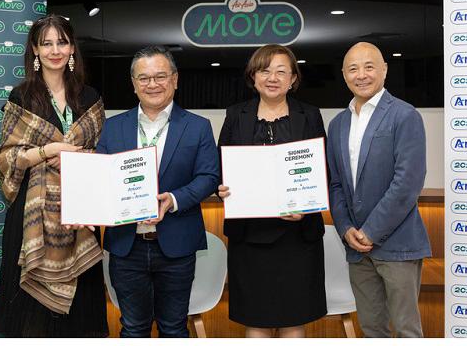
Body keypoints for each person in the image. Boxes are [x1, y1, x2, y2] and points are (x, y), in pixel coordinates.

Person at [0, 14, 109, 337]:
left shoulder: (90, 99)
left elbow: (102, 158)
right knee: (32, 321)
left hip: (79, 219)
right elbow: (6, 158)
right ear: (35, 50)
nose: (55, 50)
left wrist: (83, 159)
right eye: (47, 43)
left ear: (72, 48)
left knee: (79, 319)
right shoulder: (21, 97)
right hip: (30, 221)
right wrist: (50, 152)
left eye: (62, 42)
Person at [96, 45, 220, 337]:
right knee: (133, 328)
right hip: (127, 247)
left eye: (160, 76)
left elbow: (209, 176)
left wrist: (174, 200)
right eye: (144, 78)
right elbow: (99, 178)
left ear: (175, 79)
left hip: (176, 246)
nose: (152, 84)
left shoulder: (197, 127)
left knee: (174, 328)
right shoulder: (112, 128)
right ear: (134, 84)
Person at [216, 44, 327, 338]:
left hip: (298, 238)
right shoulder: (235, 115)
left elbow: (322, 171)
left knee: (295, 319)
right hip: (250, 238)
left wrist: (306, 208)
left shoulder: (311, 115)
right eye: (265, 70)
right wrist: (223, 189)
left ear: (293, 79)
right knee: (257, 319)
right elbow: (221, 168)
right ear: (254, 76)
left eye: (281, 71)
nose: (272, 78)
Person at [326, 42, 431, 338]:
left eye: (369, 66)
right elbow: (336, 184)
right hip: (356, 248)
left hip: (397, 245)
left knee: (406, 329)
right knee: (372, 328)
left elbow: (407, 183)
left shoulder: (404, 115)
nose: (361, 75)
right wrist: (346, 227)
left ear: (384, 70)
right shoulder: (338, 124)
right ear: (344, 75)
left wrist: (370, 231)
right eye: (353, 68)